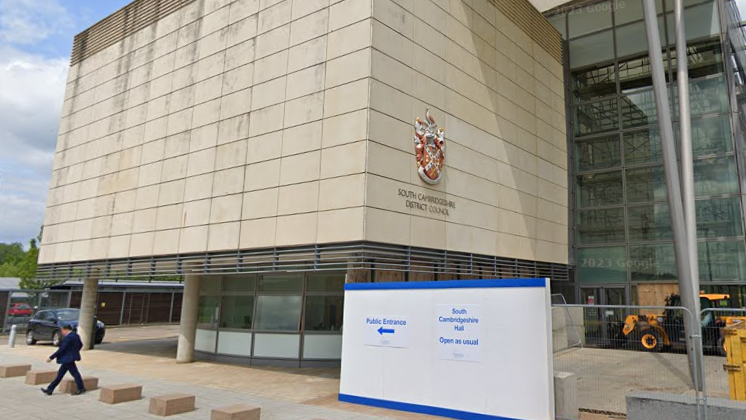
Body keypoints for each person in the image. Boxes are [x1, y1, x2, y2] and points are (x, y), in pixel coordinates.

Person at [41, 324, 86, 396]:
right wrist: (74, 351)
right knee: (61, 374)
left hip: (67, 358)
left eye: (62, 330)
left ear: (66, 329)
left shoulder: (68, 337)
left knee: (74, 373)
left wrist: (51, 357)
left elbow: (61, 349)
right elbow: (80, 344)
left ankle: (81, 388)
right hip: (70, 358)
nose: (62, 332)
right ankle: (50, 389)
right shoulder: (76, 335)